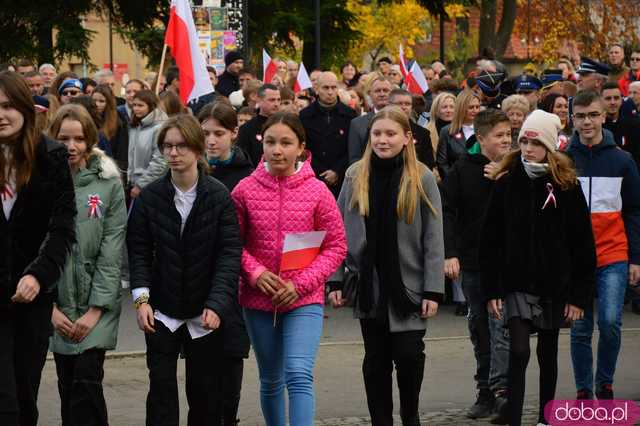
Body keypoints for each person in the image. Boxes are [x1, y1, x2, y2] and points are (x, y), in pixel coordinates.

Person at [328, 106, 443, 426]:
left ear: (407, 138)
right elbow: (338, 231)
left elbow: (434, 236)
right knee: (376, 361)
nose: (382, 139)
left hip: (410, 285)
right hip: (369, 286)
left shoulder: (421, 176)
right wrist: (335, 280)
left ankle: (410, 414)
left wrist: (433, 288)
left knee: (408, 357)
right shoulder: (354, 175)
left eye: (390, 133)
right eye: (377, 134)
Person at [481, 109, 596, 426]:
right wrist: (492, 289)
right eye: (524, 141)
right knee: (519, 351)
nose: (528, 148)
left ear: (548, 146)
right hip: (516, 282)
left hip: (553, 282)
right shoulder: (506, 183)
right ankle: (514, 417)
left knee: (548, 351)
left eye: (535, 142)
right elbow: (489, 240)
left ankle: (547, 415)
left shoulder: (565, 185)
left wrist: (579, 296)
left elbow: (582, 244)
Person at [231, 112, 347, 426]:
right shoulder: (244, 190)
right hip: (257, 300)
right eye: (270, 142)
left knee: (298, 373)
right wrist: (255, 273)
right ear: (261, 144)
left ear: (301, 147)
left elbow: (336, 246)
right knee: (270, 379)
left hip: (304, 299)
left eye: (286, 143)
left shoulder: (318, 191)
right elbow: (231, 243)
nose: (277, 150)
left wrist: (301, 283)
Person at [128, 114, 242, 426]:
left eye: (181, 146)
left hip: (205, 311)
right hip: (161, 310)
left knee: (205, 394)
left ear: (197, 149)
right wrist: (141, 300)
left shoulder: (218, 196)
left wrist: (217, 304)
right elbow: (137, 251)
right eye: (167, 146)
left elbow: (229, 254)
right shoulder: (151, 197)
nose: (174, 153)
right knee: (161, 391)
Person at [0, 71, 76, 426]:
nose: (1, 115)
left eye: (7, 106)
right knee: (6, 402)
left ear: (25, 109)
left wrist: (38, 274)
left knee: (25, 393)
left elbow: (62, 226)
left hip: (32, 298)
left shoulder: (52, 156)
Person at [47, 104, 126, 426]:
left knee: (87, 380)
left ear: (90, 139)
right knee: (67, 384)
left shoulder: (108, 182)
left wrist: (96, 309)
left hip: (98, 304)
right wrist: (49, 307)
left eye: (79, 138)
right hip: (55, 302)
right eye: (64, 138)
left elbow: (112, 250)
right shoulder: (39, 181)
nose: (71, 146)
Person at [567, 90, 640, 400]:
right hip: (576, 259)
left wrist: (636, 258)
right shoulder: (563, 160)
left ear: (603, 116)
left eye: (593, 115)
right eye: (581, 116)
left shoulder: (622, 159)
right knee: (580, 328)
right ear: (572, 118)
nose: (587, 122)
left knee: (610, 322)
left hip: (613, 253)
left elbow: (635, 210)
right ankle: (584, 389)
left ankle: (605, 382)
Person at [442, 109, 511, 422]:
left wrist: (504, 176)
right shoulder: (462, 169)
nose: (506, 141)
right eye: (499, 136)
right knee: (480, 327)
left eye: (509, 135)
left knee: (503, 329)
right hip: (472, 263)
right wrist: (450, 252)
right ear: (481, 138)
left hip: (507, 264)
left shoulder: (516, 169)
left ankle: (503, 393)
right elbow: (448, 212)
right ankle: (484, 390)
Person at [299, 72, 357, 197]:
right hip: (313, 178)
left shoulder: (350, 115)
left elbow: (353, 147)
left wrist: (337, 171)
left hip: (342, 180)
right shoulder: (304, 115)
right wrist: (320, 172)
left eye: (333, 87)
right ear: (317, 89)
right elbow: (303, 148)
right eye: (325, 88)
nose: (330, 92)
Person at [127, 90, 168, 200]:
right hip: (132, 183)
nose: (136, 108)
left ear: (151, 106)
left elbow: (160, 162)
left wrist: (141, 184)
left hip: (150, 186)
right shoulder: (135, 126)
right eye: (134, 105)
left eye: (140, 105)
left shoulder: (159, 128)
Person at [348, 75, 393, 164]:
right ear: (370, 94)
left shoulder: (401, 120)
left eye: (386, 90)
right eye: (377, 91)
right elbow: (354, 159)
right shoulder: (357, 124)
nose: (382, 94)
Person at [436, 90, 481, 179]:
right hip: (456, 183)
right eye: (471, 107)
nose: (475, 110)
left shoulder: (485, 129)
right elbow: (442, 162)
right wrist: (452, 181)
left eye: (477, 107)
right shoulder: (446, 131)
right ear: (462, 108)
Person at [388, 88, 435, 169]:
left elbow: (428, 164)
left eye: (407, 104)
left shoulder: (423, 133)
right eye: (399, 103)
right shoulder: (378, 130)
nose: (404, 107)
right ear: (389, 105)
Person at [236, 84, 281, 167]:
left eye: (278, 100)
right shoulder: (246, 129)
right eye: (272, 100)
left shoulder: (286, 126)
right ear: (259, 100)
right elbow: (243, 160)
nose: (276, 104)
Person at [92, 84, 129, 175]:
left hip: (112, 168)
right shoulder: (87, 117)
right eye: (94, 100)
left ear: (108, 102)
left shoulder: (118, 120)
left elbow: (122, 151)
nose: (97, 104)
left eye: (102, 101)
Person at [426, 92, 455, 175]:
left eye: (452, 107)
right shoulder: (427, 131)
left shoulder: (463, 128)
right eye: (444, 107)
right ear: (436, 109)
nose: (448, 110)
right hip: (436, 177)